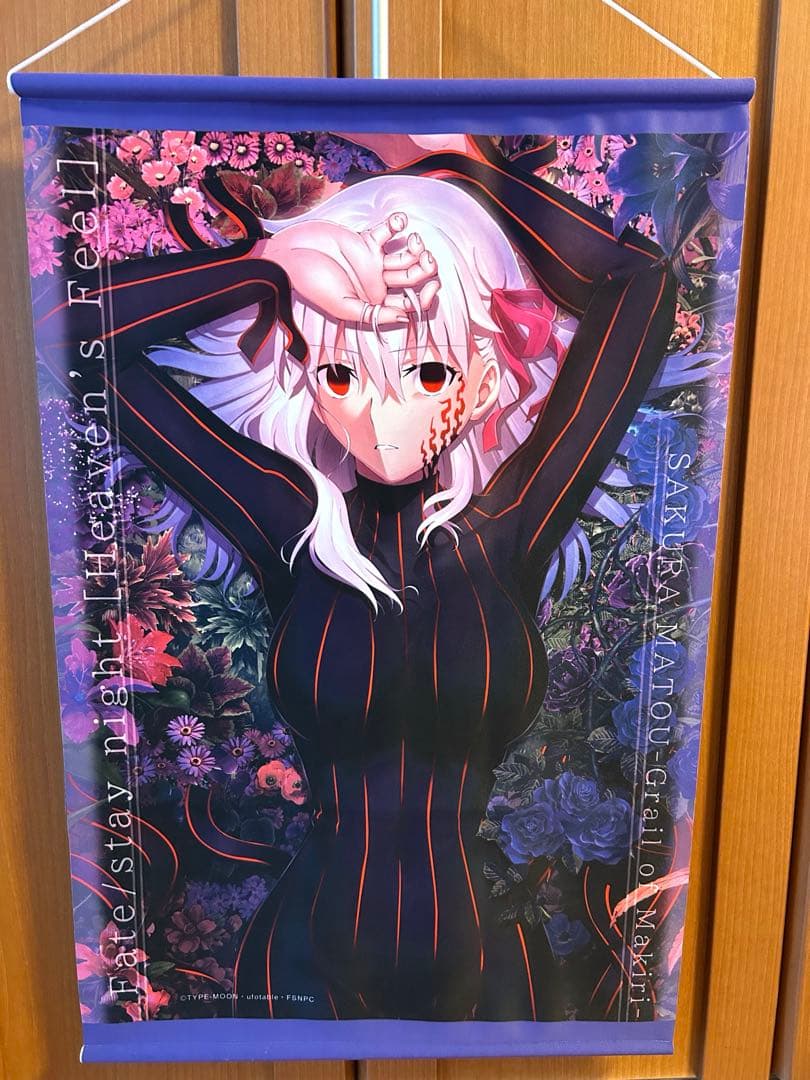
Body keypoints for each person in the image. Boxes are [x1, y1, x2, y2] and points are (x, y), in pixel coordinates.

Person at [36, 138, 676, 1022]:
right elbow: (64, 329)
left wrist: (459, 167)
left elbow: (642, 284)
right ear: (307, 378)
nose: (380, 416)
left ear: (482, 382)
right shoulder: (291, 528)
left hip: (489, 966)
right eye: (341, 375)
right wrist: (267, 268)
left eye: (428, 373)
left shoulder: (512, 528)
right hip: (306, 958)